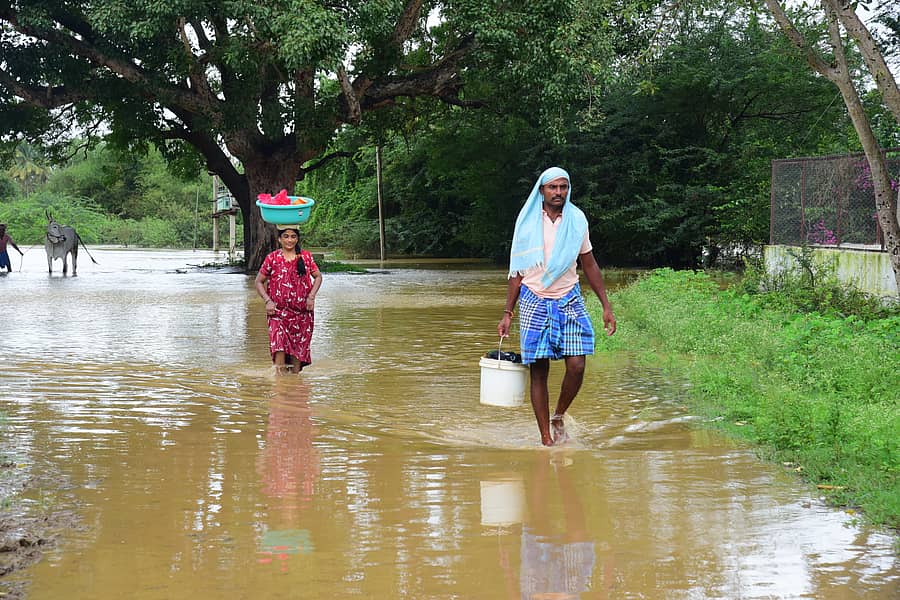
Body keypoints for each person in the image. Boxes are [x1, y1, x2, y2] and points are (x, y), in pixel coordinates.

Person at [498, 167, 616, 446]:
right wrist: (507, 313)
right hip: (533, 297)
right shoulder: (527, 221)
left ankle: (559, 415)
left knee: (576, 365)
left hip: (569, 298)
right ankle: (546, 438)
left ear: (568, 190)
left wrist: (606, 306)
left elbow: (589, 263)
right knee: (538, 370)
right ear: (542, 190)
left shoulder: (576, 220)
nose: (558, 192)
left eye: (563, 187)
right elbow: (517, 270)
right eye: (552, 187)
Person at [255, 225, 323, 374]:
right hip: (278, 314)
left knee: (297, 356)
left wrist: (311, 297)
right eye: (286, 236)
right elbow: (259, 281)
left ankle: (294, 389)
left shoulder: (306, 257)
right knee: (279, 346)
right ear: (279, 239)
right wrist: (267, 301)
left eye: (293, 236)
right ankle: (280, 386)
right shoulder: (272, 258)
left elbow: (318, 277)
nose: (290, 240)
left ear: (297, 239)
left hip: (302, 314)